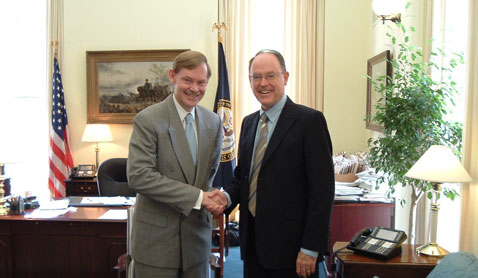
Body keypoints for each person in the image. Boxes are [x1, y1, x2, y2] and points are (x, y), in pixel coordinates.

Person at [223, 49, 335, 278]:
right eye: (256, 77)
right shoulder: (249, 123)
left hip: (294, 252)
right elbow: (243, 176)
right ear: (250, 81)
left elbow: (322, 191)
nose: (263, 83)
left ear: (285, 77)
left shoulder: (309, 121)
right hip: (252, 246)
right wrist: (225, 197)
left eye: (271, 76)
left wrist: (311, 248)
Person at [127, 50, 226, 278]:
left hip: (197, 244)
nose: (195, 88)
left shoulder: (213, 122)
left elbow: (206, 180)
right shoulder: (148, 120)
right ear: (172, 76)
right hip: (157, 247)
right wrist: (200, 198)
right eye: (187, 80)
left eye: (201, 82)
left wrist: (219, 197)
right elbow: (139, 176)